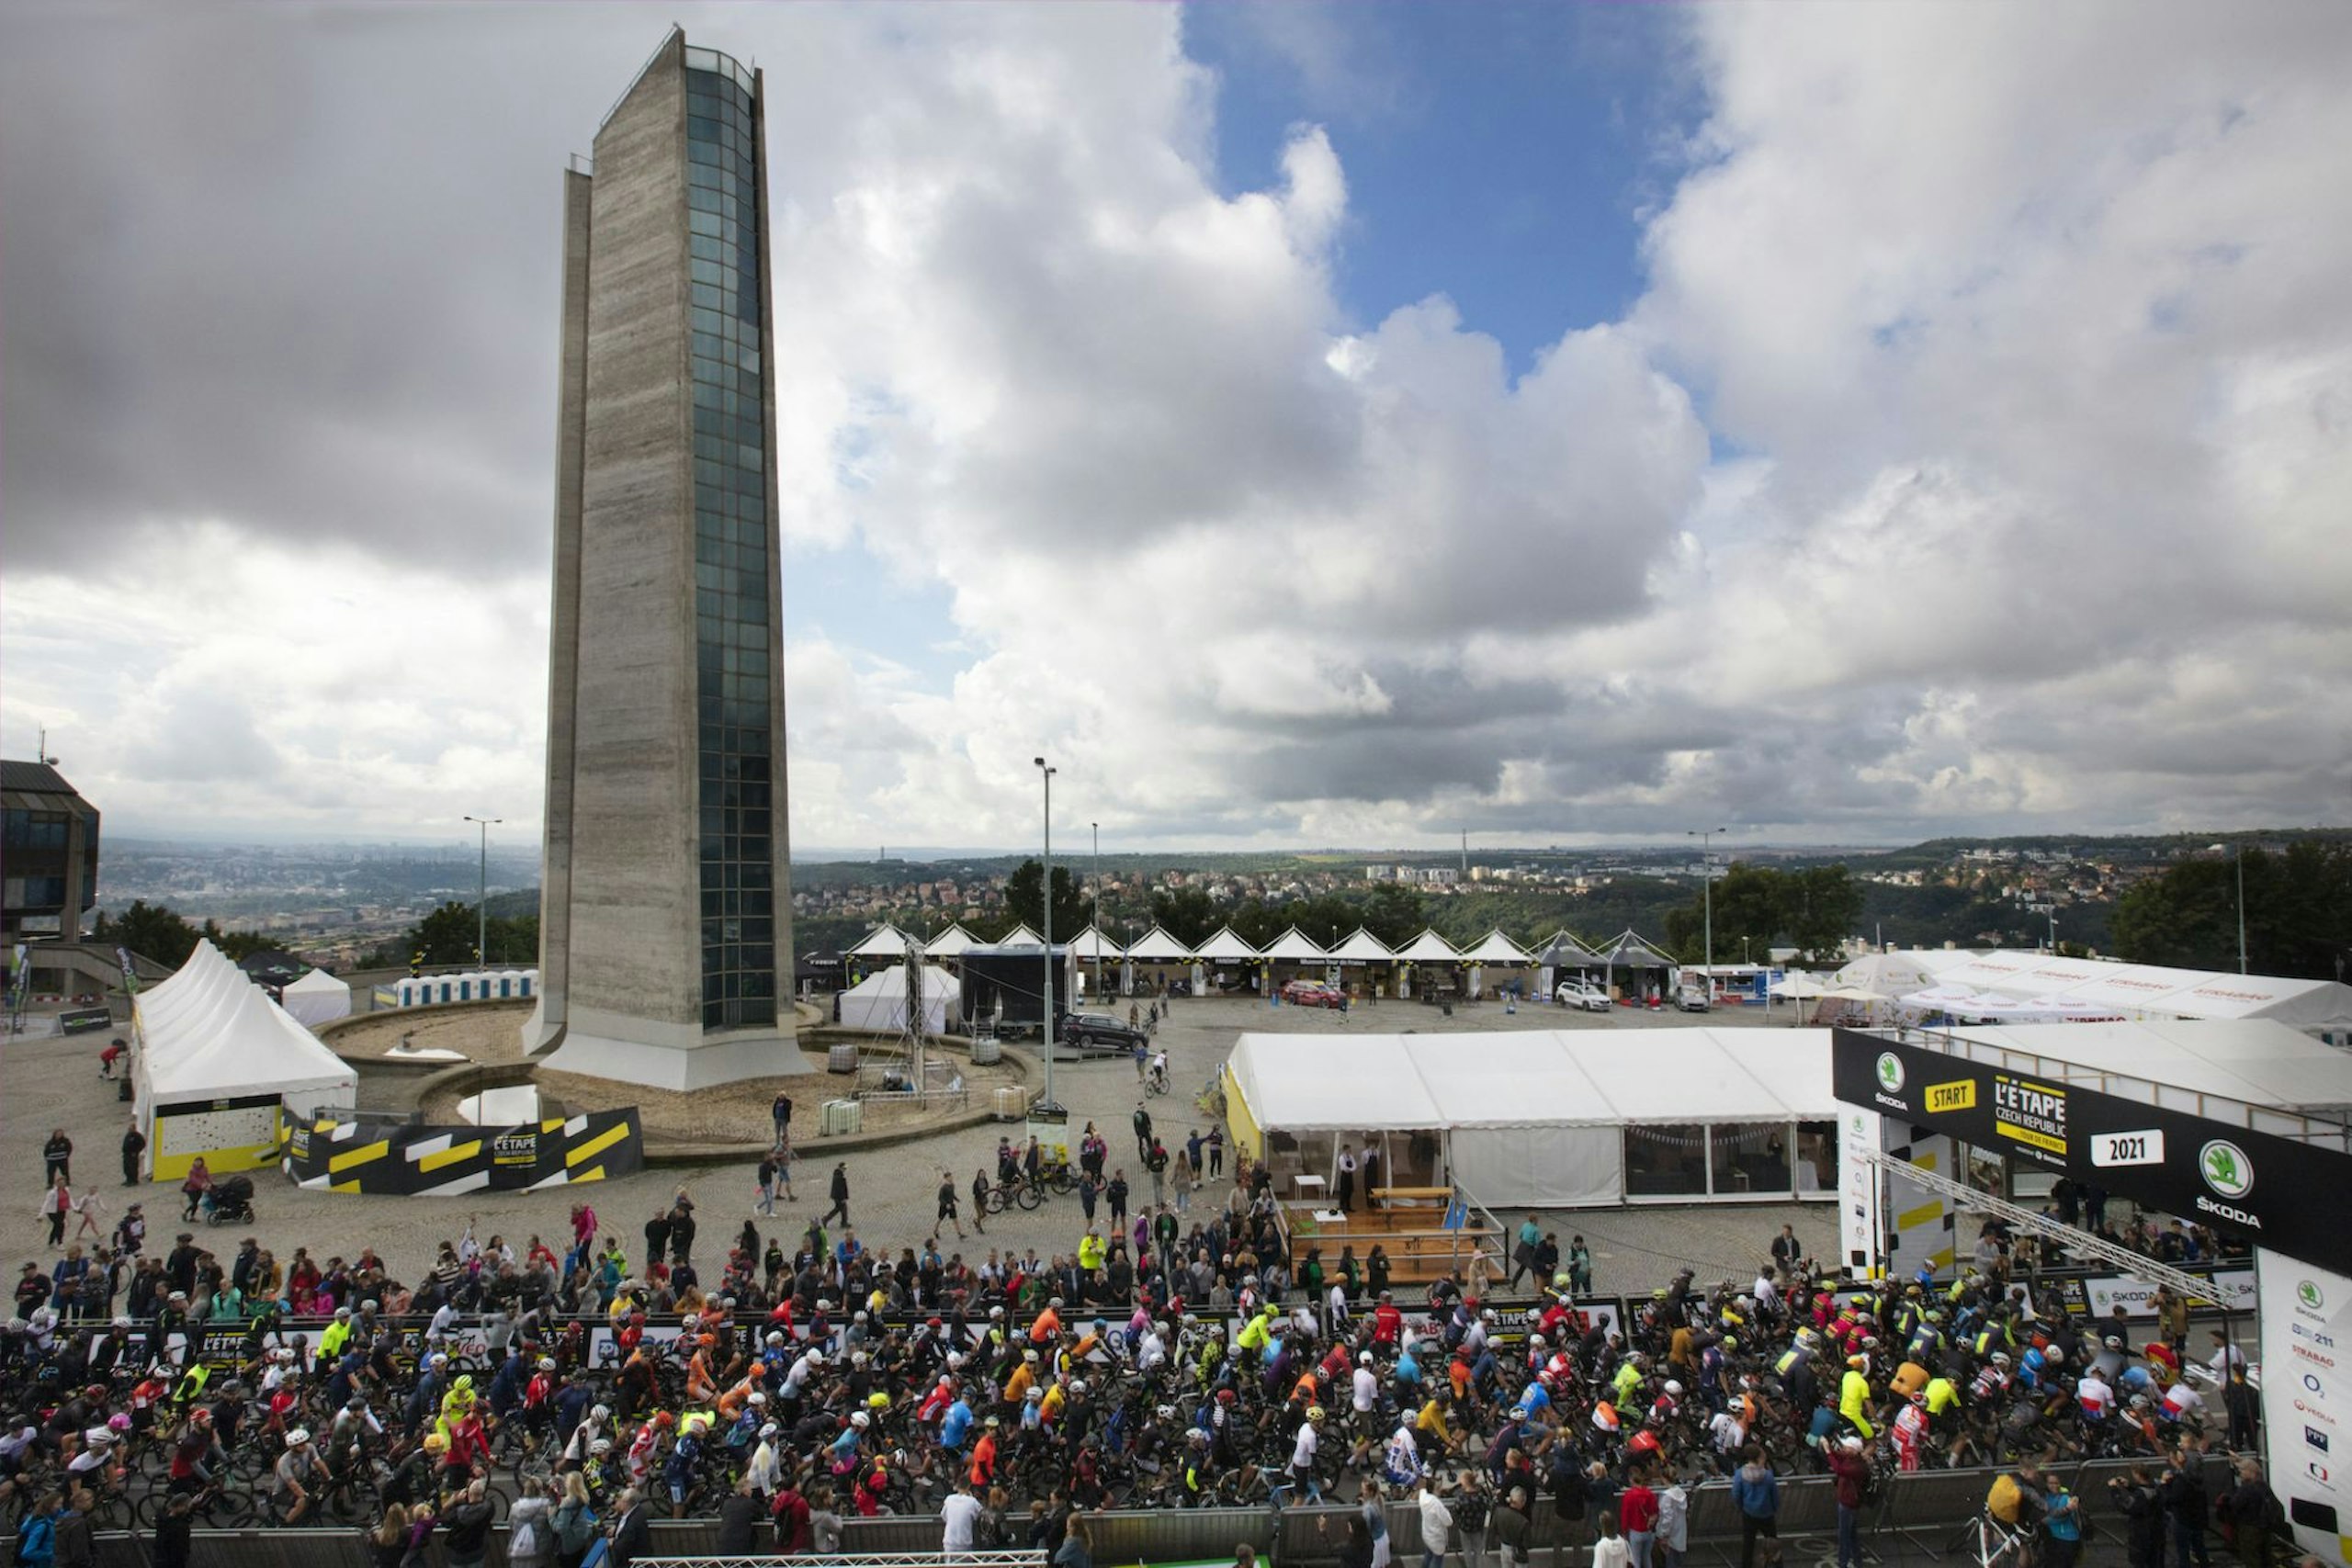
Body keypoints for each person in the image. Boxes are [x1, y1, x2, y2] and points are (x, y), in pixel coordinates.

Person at [1824, 1437, 1869, 1568]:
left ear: (1854, 1451)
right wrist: (1829, 1448)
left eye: (1847, 1447)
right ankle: (1857, 1561)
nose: (1843, 1448)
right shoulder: (1853, 1459)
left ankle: (1843, 1563)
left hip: (1848, 1504)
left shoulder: (1857, 1467)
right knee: (1852, 1534)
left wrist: (1828, 1451)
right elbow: (1839, 1455)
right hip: (1848, 1503)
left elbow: (1840, 1470)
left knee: (1844, 1536)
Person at [1732, 1447, 1780, 1568]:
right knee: (1773, 1542)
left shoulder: (1740, 1474)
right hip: (1767, 1513)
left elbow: (1736, 1494)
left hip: (1749, 1512)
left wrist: (1741, 1506)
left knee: (1748, 1543)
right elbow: (1774, 1494)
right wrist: (1775, 1508)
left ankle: (1746, 1565)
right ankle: (1777, 1564)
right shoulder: (1768, 1475)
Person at [441, 1477, 497, 1568]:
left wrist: (454, 1502)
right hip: (477, 1551)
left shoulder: (457, 1513)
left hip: (457, 1554)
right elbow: (483, 1500)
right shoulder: (489, 1508)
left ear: (468, 1494)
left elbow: (443, 1520)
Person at [607, 1486, 652, 1568]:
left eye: (619, 1499)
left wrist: (612, 1542)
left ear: (625, 1502)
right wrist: (615, 1525)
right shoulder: (634, 1510)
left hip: (632, 1562)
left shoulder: (633, 1524)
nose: (617, 1502)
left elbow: (624, 1544)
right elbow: (622, 1517)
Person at [1417, 1474, 1456, 1568]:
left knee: (1429, 1554)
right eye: (1438, 1488)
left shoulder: (1423, 1497)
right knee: (1437, 1560)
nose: (1440, 1489)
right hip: (1437, 1537)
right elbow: (1448, 1522)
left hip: (1427, 1533)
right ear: (1433, 1489)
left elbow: (1422, 1489)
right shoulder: (1436, 1504)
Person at [934, 1171, 965, 1242]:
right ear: (946, 1178)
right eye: (949, 1177)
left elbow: (952, 1194)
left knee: (955, 1219)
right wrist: (946, 1204)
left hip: (951, 1205)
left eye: (951, 1177)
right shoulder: (943, 1187)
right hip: (944, 1206)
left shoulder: (952, 1185)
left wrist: (956, 1199)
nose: (951, 1178)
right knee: (940, 1219)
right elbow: (940, 1198)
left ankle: (959, 1233)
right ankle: (935, 1230)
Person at [821, 1163, 851, 1227]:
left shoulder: (839, 1174)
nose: (845, 1170)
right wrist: (843, 1198)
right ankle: (826, 1219)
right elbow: (840, 1189)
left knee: (840, 1209)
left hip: (837, 1196)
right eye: (844, 1168)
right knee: (840, 1209)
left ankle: (843, 1222)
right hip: (839, 1197)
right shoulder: (839, 1176)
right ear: (840, 1168)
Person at [120, 1121, 146, 1187]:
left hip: (133, 1155)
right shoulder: (128, 1135)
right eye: (129, 1128)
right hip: (126, 1154)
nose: (129, 1129)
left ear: (134, 1129)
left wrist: (136, 1151)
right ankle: (128, 1180)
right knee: (126, 1168)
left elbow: (142, 1144)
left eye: (131, 1128)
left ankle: (134, 1181)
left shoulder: (137, 1136)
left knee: (133, 1168)